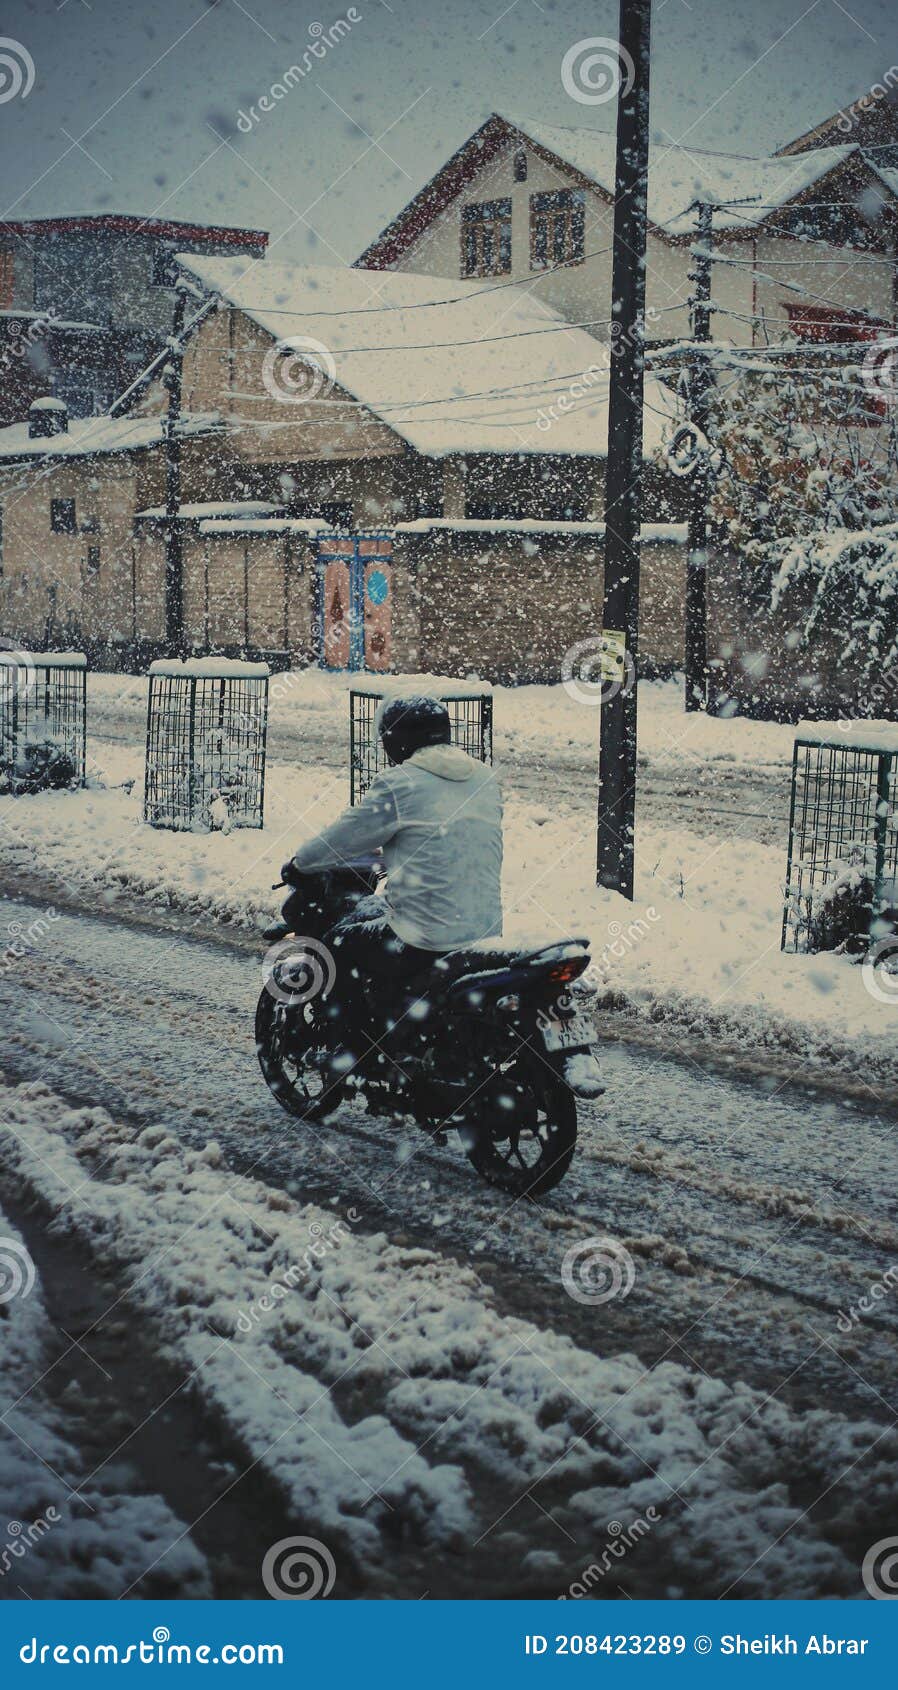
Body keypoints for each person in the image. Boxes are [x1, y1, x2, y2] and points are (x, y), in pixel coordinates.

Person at [282, 694, 503, 1006]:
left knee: (337, 943)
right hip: (485, 931)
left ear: (394, 741)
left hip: (425, 937)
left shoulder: (400, 783)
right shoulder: (484, 778)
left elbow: (345, 836)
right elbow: (442, 839)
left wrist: (301, 863)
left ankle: (353, 1045)